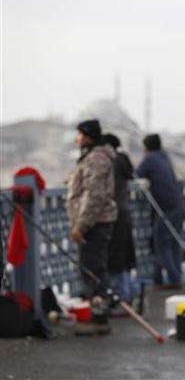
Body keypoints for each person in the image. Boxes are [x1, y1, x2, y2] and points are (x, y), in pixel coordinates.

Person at [66, 119, 117, 335]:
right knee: (94, 268)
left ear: (87, 136)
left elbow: (94, 195)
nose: (77, 139)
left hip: (95, 223)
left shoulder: (96, 158)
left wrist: (81, 226)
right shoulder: (94, 157)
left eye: (79, 134)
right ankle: (98, 315)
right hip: (97, 222)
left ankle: (99, 318)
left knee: (93, 270)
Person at [136, 134, 185, 289]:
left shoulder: (150, 158)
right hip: (178, 205)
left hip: (166, 208)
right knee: (174, 244)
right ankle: (176, 276)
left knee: (162, 244)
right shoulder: (164, 157)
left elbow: (136, 173)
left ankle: (173, 280)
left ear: (146, 147)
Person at [102, 133, 137, 305]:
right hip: (124, 213)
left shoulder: (110, 162)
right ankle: (128, 294)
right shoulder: (123, 160)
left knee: (114, 258)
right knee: (123, 257)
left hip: (112, 214)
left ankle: (120, 299)